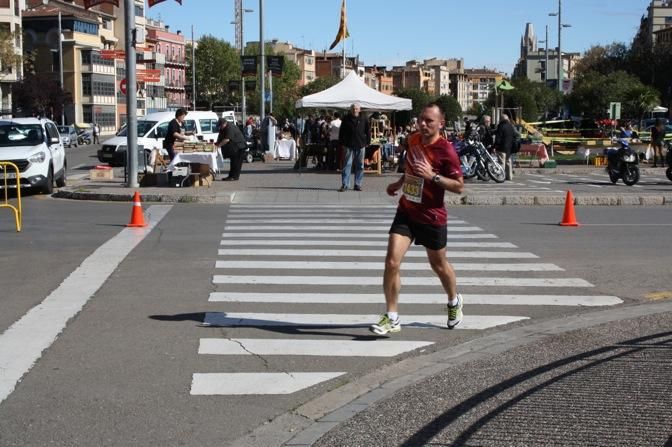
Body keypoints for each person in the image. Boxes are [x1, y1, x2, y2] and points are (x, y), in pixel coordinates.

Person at [370, 103, 465, 335]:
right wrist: (399, 183)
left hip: (431, 216)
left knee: (438, 264)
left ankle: (454, 301)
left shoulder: (447, 151)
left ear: (440, 124)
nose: (422, 124)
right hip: (407, 210)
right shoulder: (413, 140)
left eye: (429, 121)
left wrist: (432, 177)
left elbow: (459, 187)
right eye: (421, 119)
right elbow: (411, 167)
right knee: (392, 261)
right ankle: (392, 316)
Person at [338, 103, 370, 191]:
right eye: (353, 109)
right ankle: (345, 184)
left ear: (359, 110)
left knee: (360, 165)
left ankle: (357, 184)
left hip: (361, 145)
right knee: (347, 165)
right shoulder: (346, 119)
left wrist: (368, 142)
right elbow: (341, 132)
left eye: (356, 109)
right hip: (348, 145)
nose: (354, 110)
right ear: (350, 110)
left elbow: (368, 131)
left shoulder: (364, 119)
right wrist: (342, 143)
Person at [494, 112, 515, 180]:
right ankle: (509, 176)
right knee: (508, 162)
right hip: (509, 147)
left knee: (501, 162)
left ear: (501, 119)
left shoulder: (501, 126)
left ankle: (501, 176)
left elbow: (498, 137)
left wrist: (495, 145)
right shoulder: (511, 126)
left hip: (501, 147)